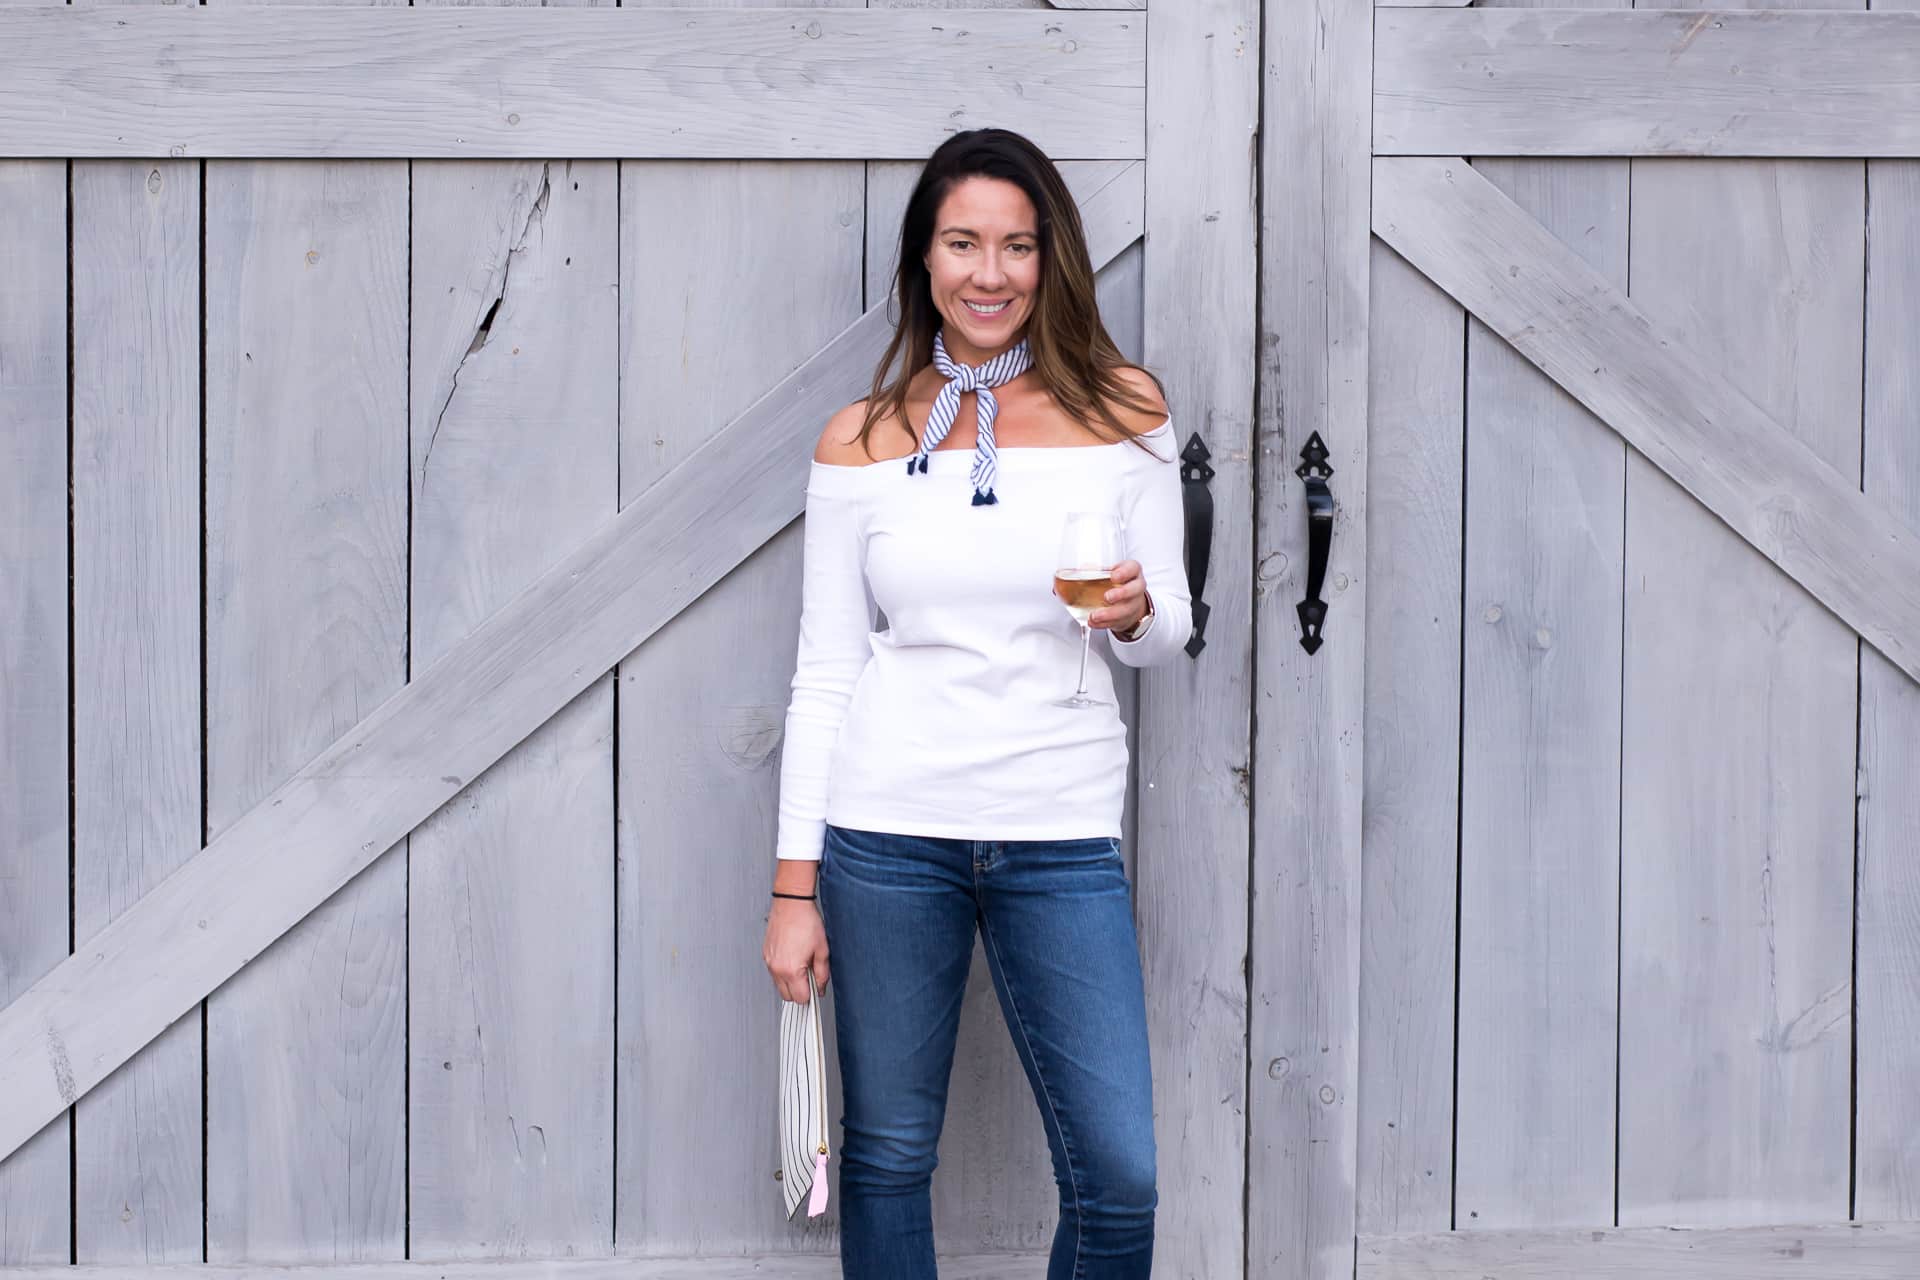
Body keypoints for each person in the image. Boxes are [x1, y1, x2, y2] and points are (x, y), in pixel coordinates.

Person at [760, 126, 1193, 1280]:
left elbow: (1169, 636)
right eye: (962, 242)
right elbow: (826, 670)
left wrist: (1135, 615)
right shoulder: (858, 441)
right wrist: (793, 890)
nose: (988, 273)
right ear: (924, 259)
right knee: (890, 1153)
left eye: (1015, 246)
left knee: (1119, 1178)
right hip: (887, 834)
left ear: (1053, 263)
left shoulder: (1125, 410)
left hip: (1058, 834)